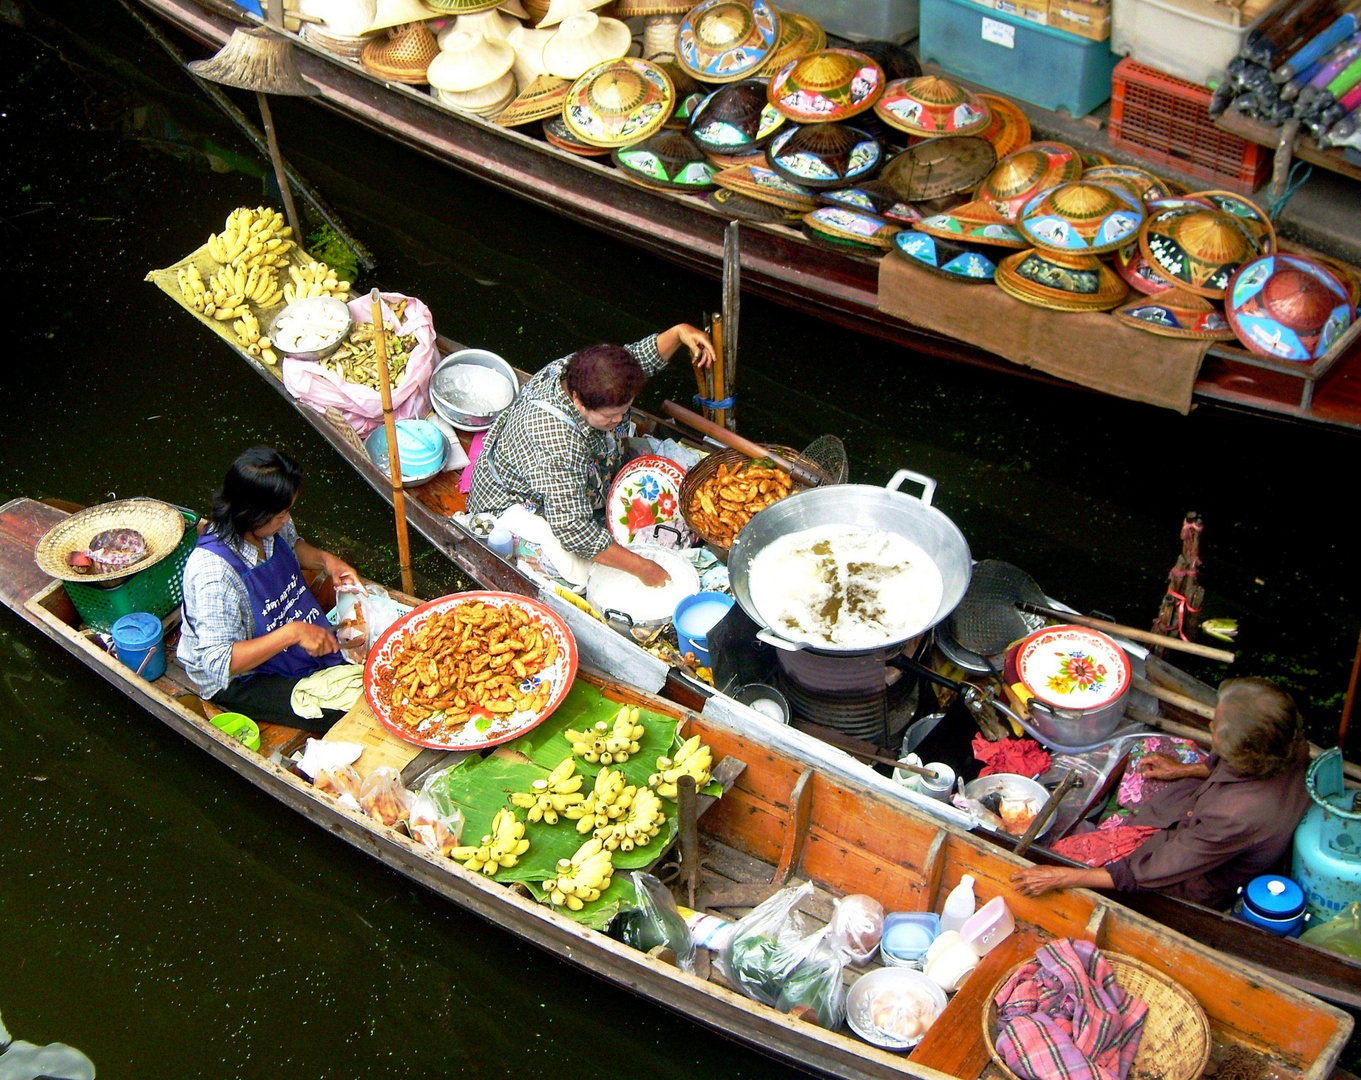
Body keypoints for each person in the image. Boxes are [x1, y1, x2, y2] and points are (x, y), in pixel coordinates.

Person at [1011, 677, 1310, 909]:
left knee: (1067, 861)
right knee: (1158, 786)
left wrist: (1063, 877)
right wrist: (1182, 770)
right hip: (1200, 815)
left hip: (1198, 875)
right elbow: (1234, 769)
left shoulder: (1234, 815)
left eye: (1216, 728)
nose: (1209, 727)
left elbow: (1153, 872)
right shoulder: (1291, 744)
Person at [467, 323, 715, 587]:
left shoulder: (584, 369)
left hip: (577, 467)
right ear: (577, 399)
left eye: (625, 410)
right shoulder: (558, 442)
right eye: (610, 416)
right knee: (579, 575)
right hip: (517, 500)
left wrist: (679, 332)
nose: (620, 420)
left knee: (670, 470)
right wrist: (643, 568)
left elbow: (639, 359)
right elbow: (573, 529)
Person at [178, 446, 361, 731]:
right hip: (241, 676)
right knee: (344, 710)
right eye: (280, 514)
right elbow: (220, 662)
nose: (286, 519)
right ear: (252, 513)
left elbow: (293, 546)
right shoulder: (213, 574)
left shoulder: (269, 526)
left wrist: (327, 561)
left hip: (286, 628)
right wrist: (293, 633)